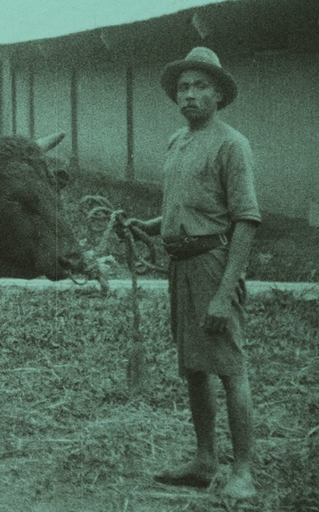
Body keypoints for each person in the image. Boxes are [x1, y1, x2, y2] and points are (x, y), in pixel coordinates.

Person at [121, 47, 259, 499]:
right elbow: (185, 206)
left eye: (201, 87)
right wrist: (150, 225)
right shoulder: (177, 142)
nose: (190, 95)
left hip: (213, 265)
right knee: (194, 368)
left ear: (218, 95)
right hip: (179, 267)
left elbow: (243, 220)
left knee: (229, 368)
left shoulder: (231, 144)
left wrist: (223, 293)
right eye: (183, 87)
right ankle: (204, 460)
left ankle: (243, 471)